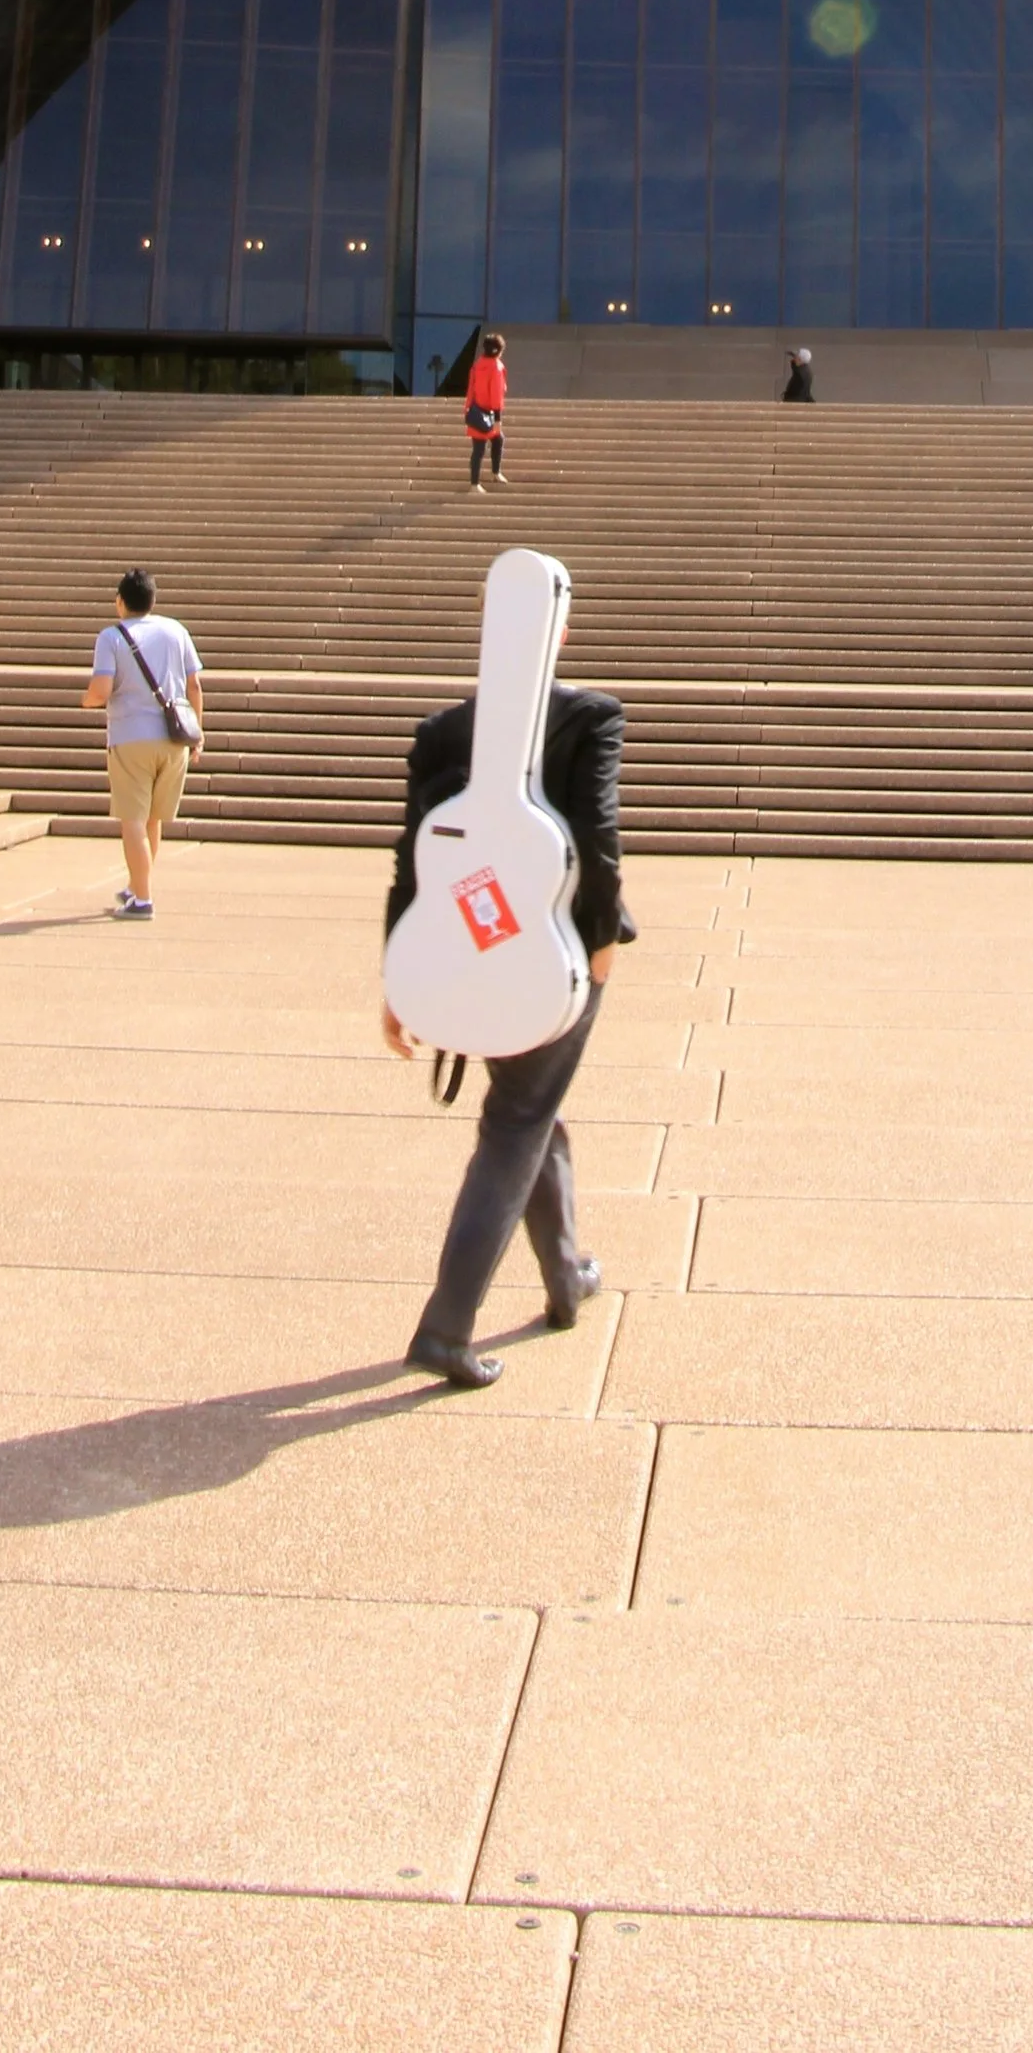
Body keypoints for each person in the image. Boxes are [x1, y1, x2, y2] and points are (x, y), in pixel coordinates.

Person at [383, 609, 634, 1387]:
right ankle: (446, 1328)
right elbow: (596, 834)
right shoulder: (588, 715)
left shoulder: (440, 732)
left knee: (532, 1111)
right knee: (519, 1120)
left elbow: (414, 863)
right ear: (556, 634)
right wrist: (599, 943)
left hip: (466, 950)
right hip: (551, 953)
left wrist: (399, 976)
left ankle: (566, 1279)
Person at [81, 564, 204, 919]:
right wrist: (198, 732)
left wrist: (85, 700)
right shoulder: (176, 630)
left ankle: (143, 898)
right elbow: (194, 685)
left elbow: (101, 690)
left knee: (132, 818)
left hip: (130, 737)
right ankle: (137, 885)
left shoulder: (111, 637)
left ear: (120, 602)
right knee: (154, 819)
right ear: (152, 599)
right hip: (174, 737)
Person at [465, 332, 509, 492]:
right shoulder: (496, 368)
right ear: (499, 350)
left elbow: (471, 388)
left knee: (480, 447)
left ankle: (478, 482)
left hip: (475, 411)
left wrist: (468, 409)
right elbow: (496, 395)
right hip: (488, 414)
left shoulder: (477, 365)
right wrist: (498, 419)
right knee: (493, 442)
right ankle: (490, 475)